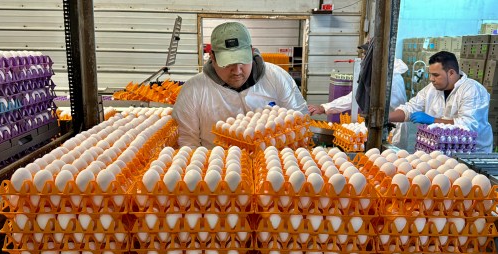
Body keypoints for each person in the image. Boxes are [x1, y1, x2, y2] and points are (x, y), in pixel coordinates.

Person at [172, 22, 308, 148]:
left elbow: (299, 124)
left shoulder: (276, 77)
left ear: (251, 51)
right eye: (228, 63)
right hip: (219, 169)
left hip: (273, 168)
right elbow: (187, 145)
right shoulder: (193, 91)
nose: (237, 71)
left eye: (242, 60)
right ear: (212, 57)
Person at [389, 51, 493, 153]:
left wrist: (433, 120)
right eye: (430, 75)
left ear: (451, 73)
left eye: (435, 75)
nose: (431, 79)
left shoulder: (472, 90)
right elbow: (411, 107)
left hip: (469, 152)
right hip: (440, 148)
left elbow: (468, 126)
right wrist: (386, 118)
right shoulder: (432, 89)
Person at [308, 51, 409, 149]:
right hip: (384, 124)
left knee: (390, 159)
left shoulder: (387, 79)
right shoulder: (384, 74)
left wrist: (324, 108)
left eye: (365, 54)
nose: (363, 58)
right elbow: (356, 96)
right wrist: (324, 107)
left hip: (392, 130)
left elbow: (354, 98)